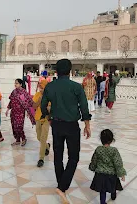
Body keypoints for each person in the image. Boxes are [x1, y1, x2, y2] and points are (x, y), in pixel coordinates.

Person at [41, 59, 91, 204]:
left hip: (56, 125)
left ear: (56, 71)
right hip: (71, 126)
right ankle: (62, 187)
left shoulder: (50, 87)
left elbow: (44, 105)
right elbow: (84, 107)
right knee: (73, 157)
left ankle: (61, 187)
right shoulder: (76, 87)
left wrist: (49, 117)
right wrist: (87, 125)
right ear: (70, 71)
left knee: (58, 156)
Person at [89, 129, 126, 204]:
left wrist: (92, 167)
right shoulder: (114, 150)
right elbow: (118, 163)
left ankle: (102, 202)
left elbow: (94, 160)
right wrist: (121, 173)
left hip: (100, 174)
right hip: (111, 175)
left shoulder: (98, 149)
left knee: (103, 190)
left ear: (101, 139)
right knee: (113, 184)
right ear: (112, 140)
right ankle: (113, 195)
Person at [6, 78, 35, 146]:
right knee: (14, 126)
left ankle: (24, 138)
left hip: (20, 113)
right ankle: (17, 140)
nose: (15, 84)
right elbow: (11, 101)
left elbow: (28, 103)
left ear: (21, 84)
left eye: (17, 83)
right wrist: (8, 109)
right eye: (15, 83)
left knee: (19, 126)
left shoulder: (24, 92)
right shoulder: (14, 92)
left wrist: (29, 112)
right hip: (13, 112)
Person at [33, 80, 51, 167]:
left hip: (46, 119)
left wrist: (49, 108)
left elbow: (51, 108)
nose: (41, 89)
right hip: (38, 118)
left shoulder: (50, 95)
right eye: (40, 87)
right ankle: (47, 146)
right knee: (38, 137)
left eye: (42, 88)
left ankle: (41, 158)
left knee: (43, 138)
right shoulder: (37, 95)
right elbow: (33, 106)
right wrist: (39, 101)